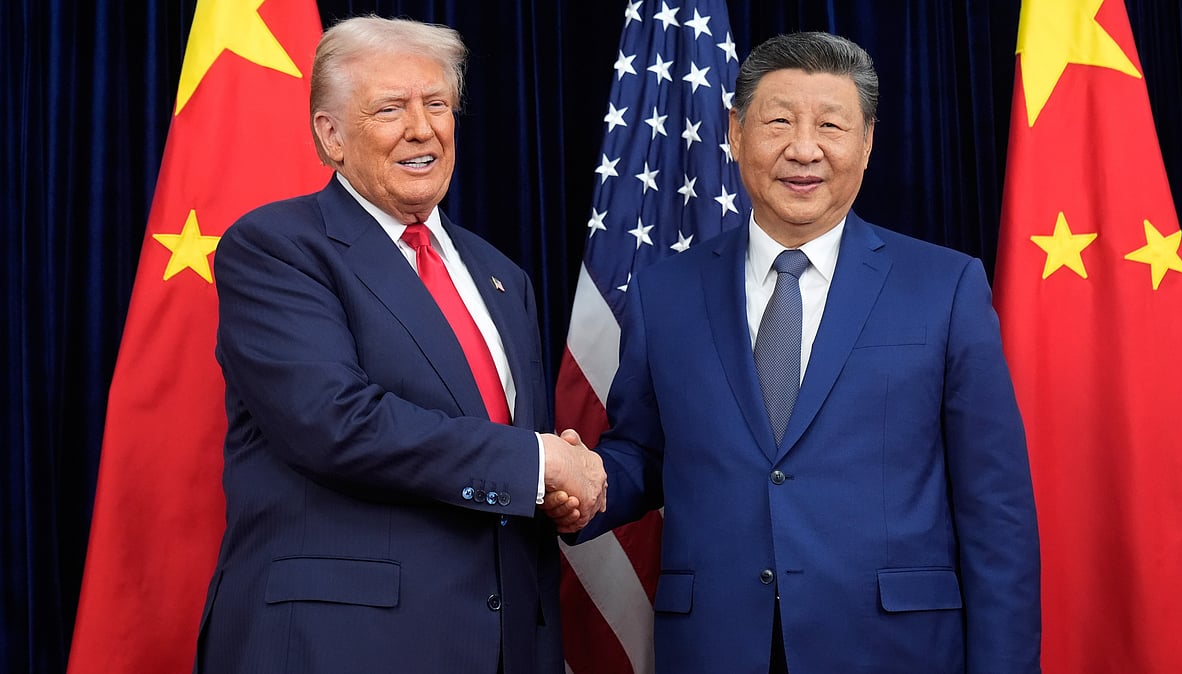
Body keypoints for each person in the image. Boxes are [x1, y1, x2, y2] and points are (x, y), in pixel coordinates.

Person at [551, 31, 1040, 673]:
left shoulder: (944, 287)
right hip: (717, 647)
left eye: (831, 125)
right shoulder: (663, 291)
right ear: (736, 131)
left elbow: (995, 509)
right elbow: (645, 450)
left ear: (866, 141)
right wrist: (588, 486)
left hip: (894, 648)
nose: (803, 149)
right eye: (778, 121)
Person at [195, 16, 605, 674]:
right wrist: (537, 462)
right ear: (330, 135)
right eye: (391, 108)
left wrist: (550, 488)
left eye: (436, 104)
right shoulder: (276, 247)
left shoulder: (503, 277)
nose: (422, 129)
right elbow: (334, 422)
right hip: (340, 647)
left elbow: (495, 453)